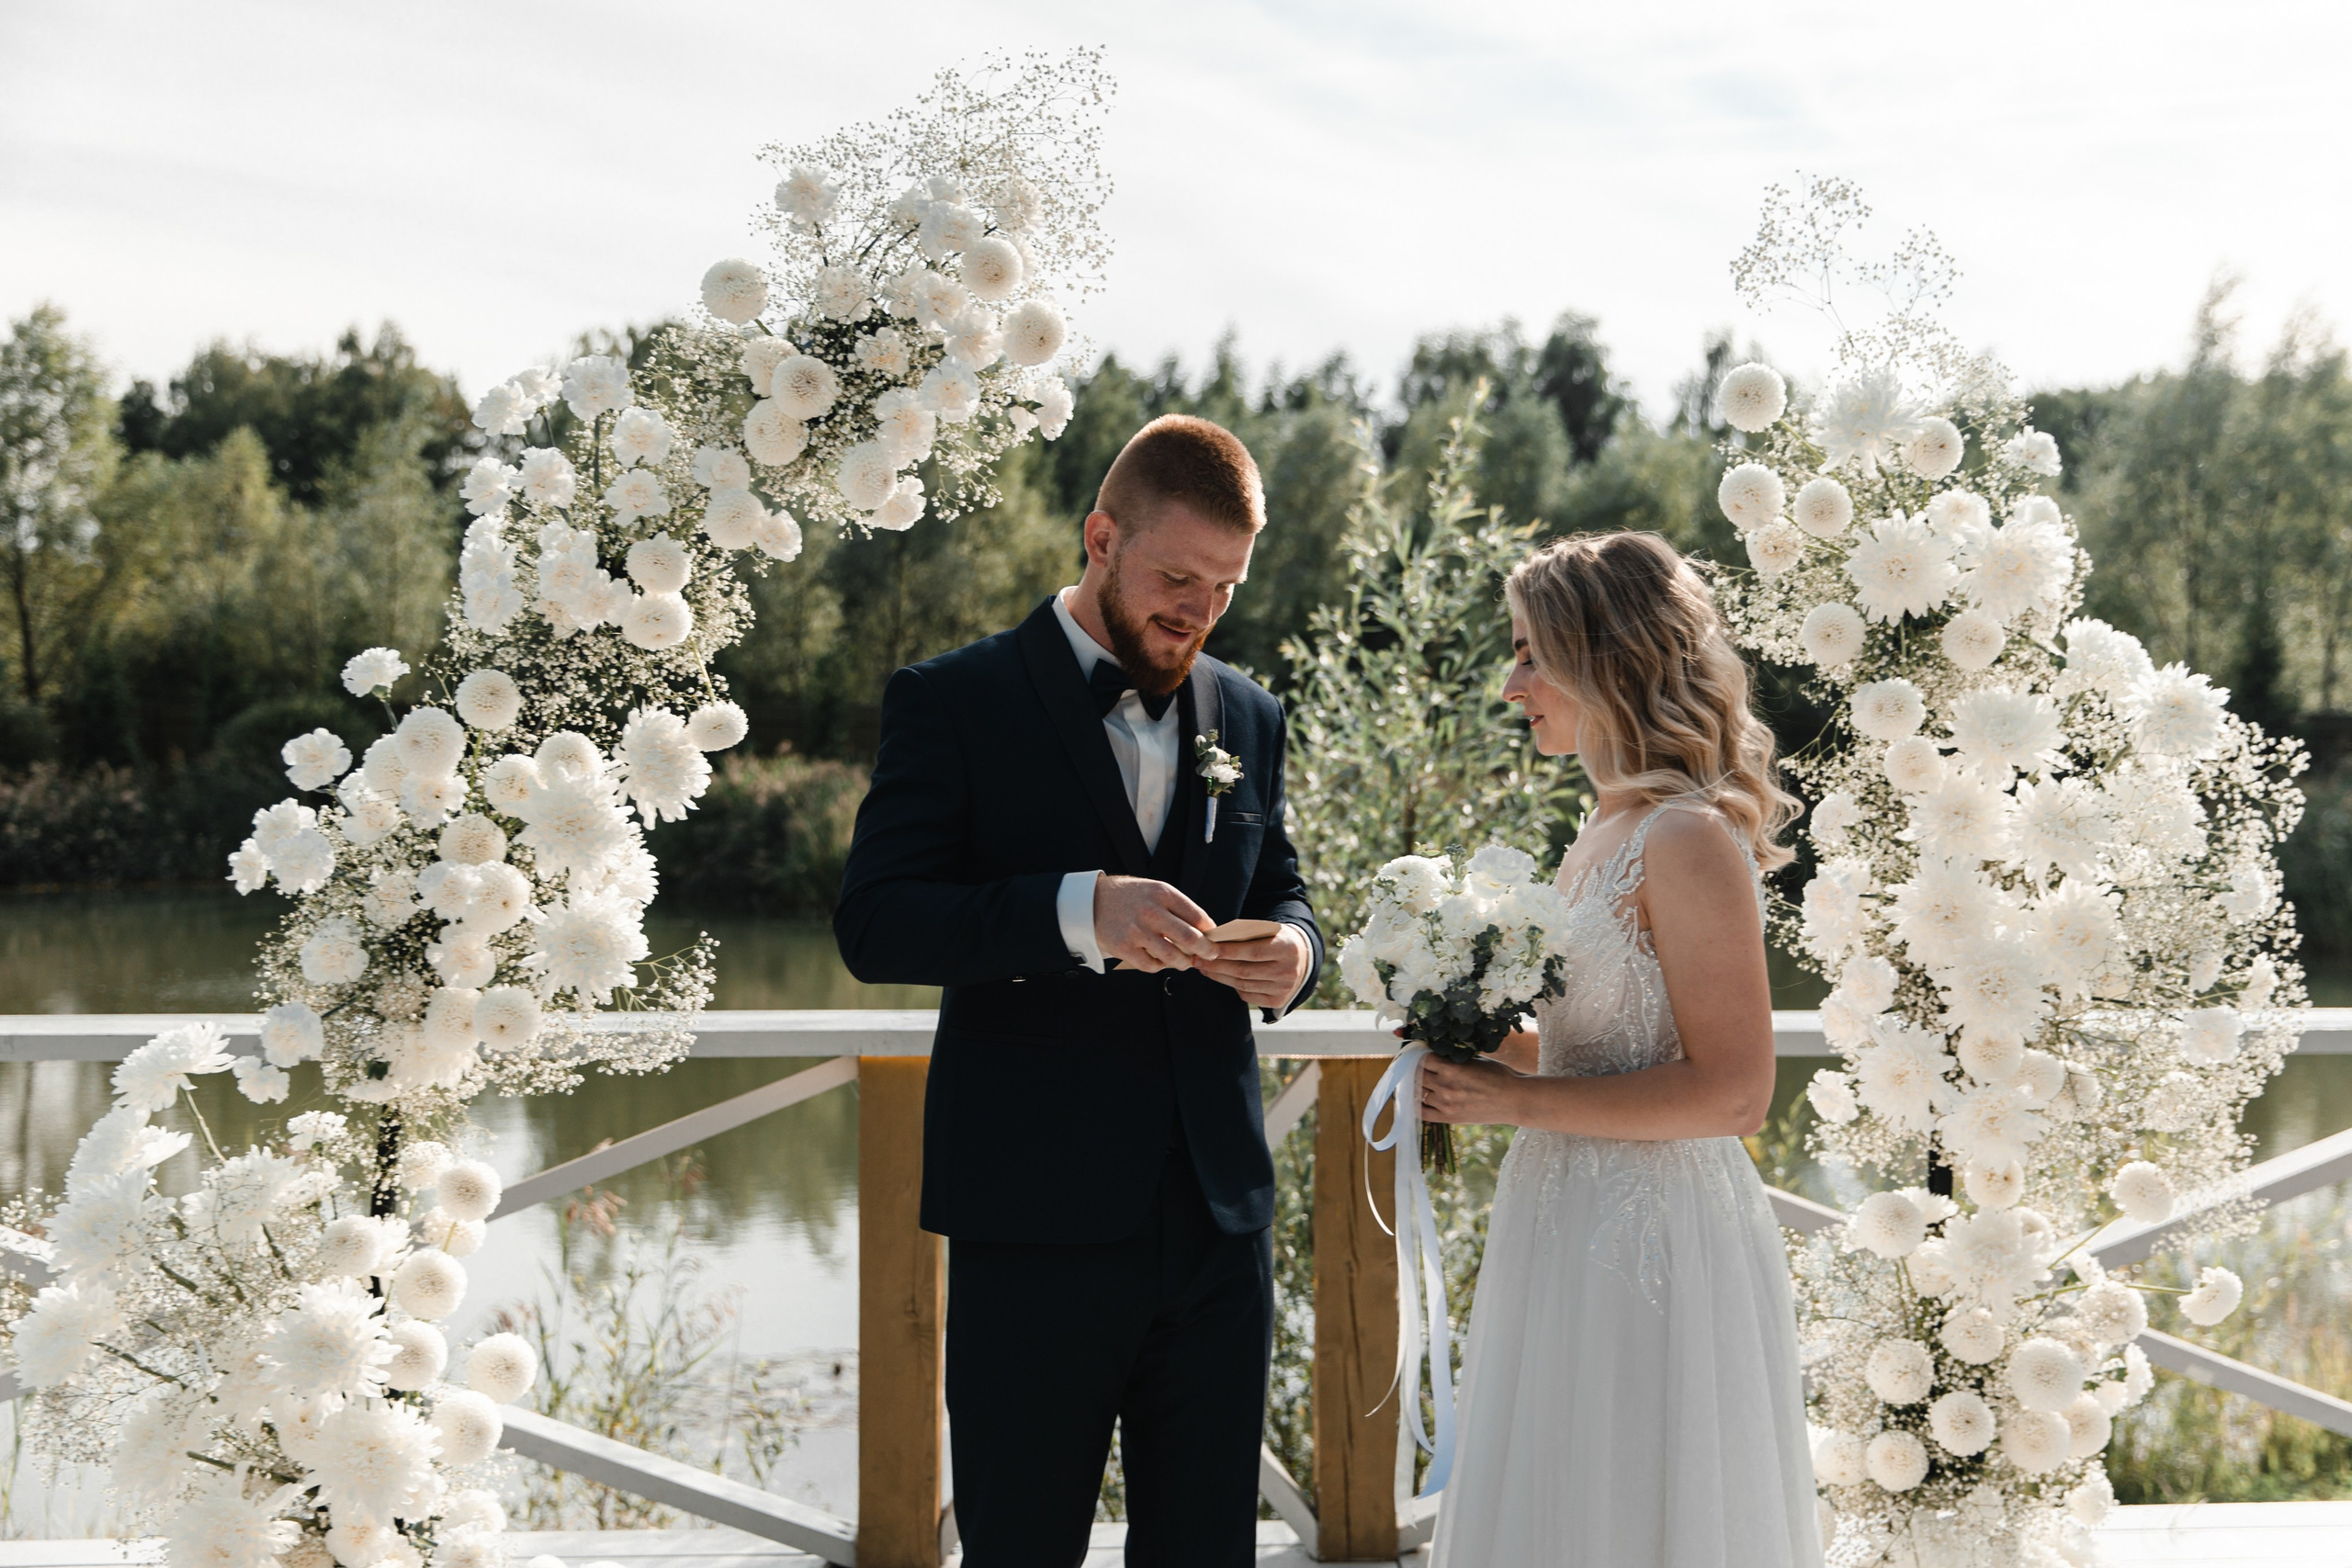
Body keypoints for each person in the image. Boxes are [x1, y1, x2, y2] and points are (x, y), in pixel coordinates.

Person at [833, 414, 1324, 1567]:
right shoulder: (953, 701)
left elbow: (1289, 890)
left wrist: (1295, 956)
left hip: (1216, 1225)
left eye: (1224, 587)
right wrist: (1071, 912)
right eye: (1175, 576)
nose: (1198, 611)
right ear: (1100, 536)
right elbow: (874, 921)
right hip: (1033, 1221)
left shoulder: (1249, 715)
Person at [1419, 531, 1822, 1567]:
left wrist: (1517, 1104)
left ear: (1602, 658)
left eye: (1527, 652)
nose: (1511, 684)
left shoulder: (1684, 837)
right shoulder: (1598, 830)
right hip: (1561, 1217)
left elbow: (1734, 1093)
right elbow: (1594, 1047)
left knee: (1638, 1501)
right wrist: (1472, 1047)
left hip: (1653, 1243)